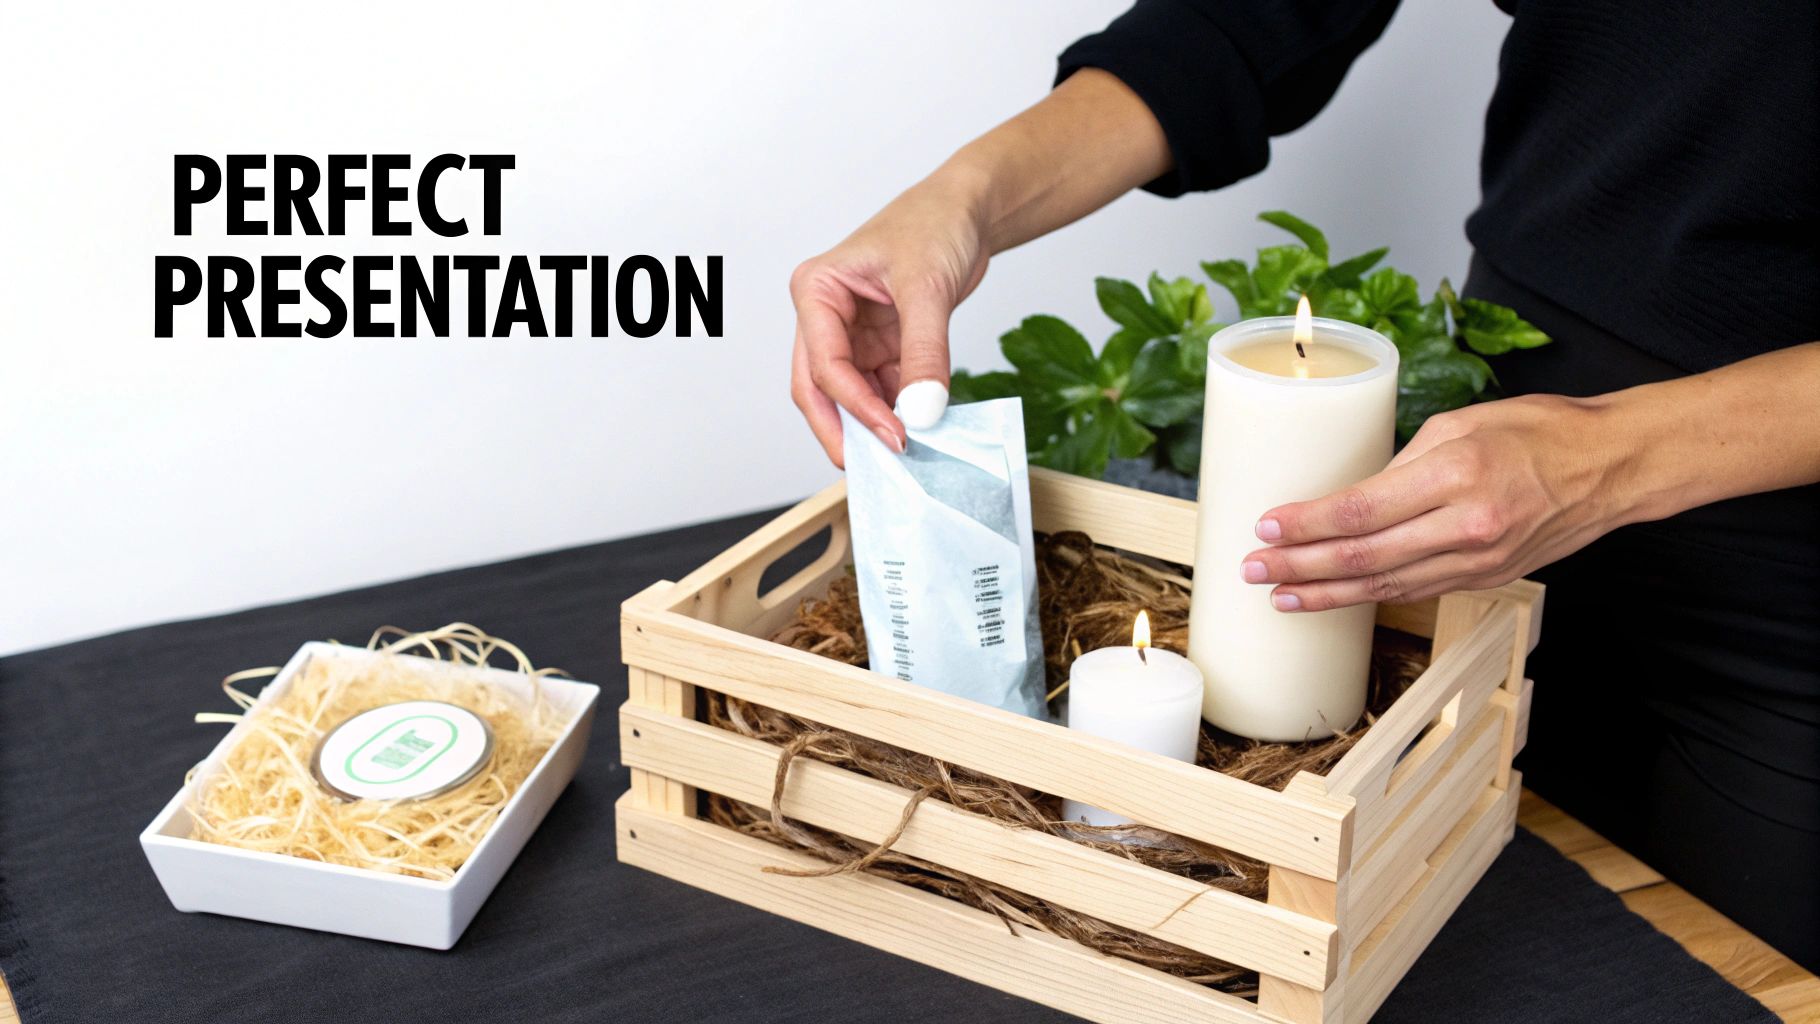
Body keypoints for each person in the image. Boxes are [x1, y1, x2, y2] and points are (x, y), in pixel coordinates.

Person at [787, 0, 1819, 970]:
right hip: (1459, 535)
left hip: (1775, 617)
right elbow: (1252, 19)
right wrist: (957, 205)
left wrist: (1614, 456)